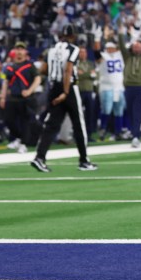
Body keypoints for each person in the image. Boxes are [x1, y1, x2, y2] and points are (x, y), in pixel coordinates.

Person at [31, 24, 97, 173]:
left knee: (51, 125)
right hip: (68, 88)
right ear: (73, 36)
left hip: (53, 86)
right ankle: (84, 160)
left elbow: (43, 69)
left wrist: (54, 85)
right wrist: (65, 93)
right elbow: (68, 71)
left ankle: (39, 158)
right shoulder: (73, 49)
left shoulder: (51, 49)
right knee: (78, 124)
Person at [0, 42, 39, 155]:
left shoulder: (30, 66)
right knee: (8, 120)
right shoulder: (9, 67)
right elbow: (5, 83)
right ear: (14, 52)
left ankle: (24, 144)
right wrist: (3, 97)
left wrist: (30, 91)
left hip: (26, 99)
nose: (19, 52)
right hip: (12, 97)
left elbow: (37, 79)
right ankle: (18, 137)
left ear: (25, 52)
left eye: (21, 49)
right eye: (17, 49)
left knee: (25, 121)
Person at [96, 38, 126, 140]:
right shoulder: (103, 56)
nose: (111, 50)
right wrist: (97, 39)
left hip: (119, 87)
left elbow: (124, 49)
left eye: (113, 48)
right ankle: (103, 129)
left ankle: (118, 131)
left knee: (119, 110)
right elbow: (96, 53)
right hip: (106, 87)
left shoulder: (120, 56)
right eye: (109, 48)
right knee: (107, 109)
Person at [76, 46, 98, 146]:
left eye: (84, 52)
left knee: (90, 114)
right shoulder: (76, 64)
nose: (82, 54)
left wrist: (84, 74)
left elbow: (95, 75)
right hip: (79, 91)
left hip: (89, 91)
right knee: (78, 115)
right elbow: (77, 75)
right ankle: (78, 135)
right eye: (80, 52)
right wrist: (88, 74)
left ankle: (89, 135)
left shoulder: (90, 63)